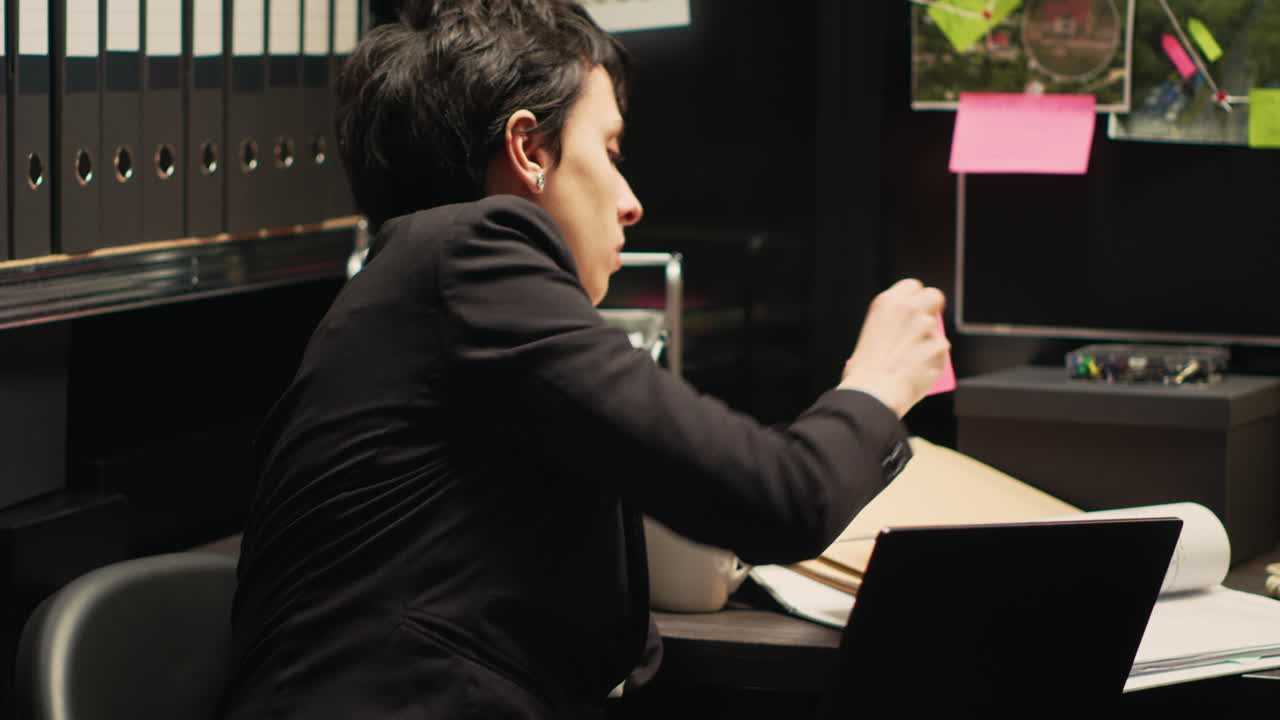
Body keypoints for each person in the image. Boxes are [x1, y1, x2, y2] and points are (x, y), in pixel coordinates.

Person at [218, 1, 949, 718]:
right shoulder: (471, 254)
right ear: (530, 150)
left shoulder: (422, 281)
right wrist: (877, 385)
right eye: (610, 150)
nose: (631, 201)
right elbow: (782, 500)